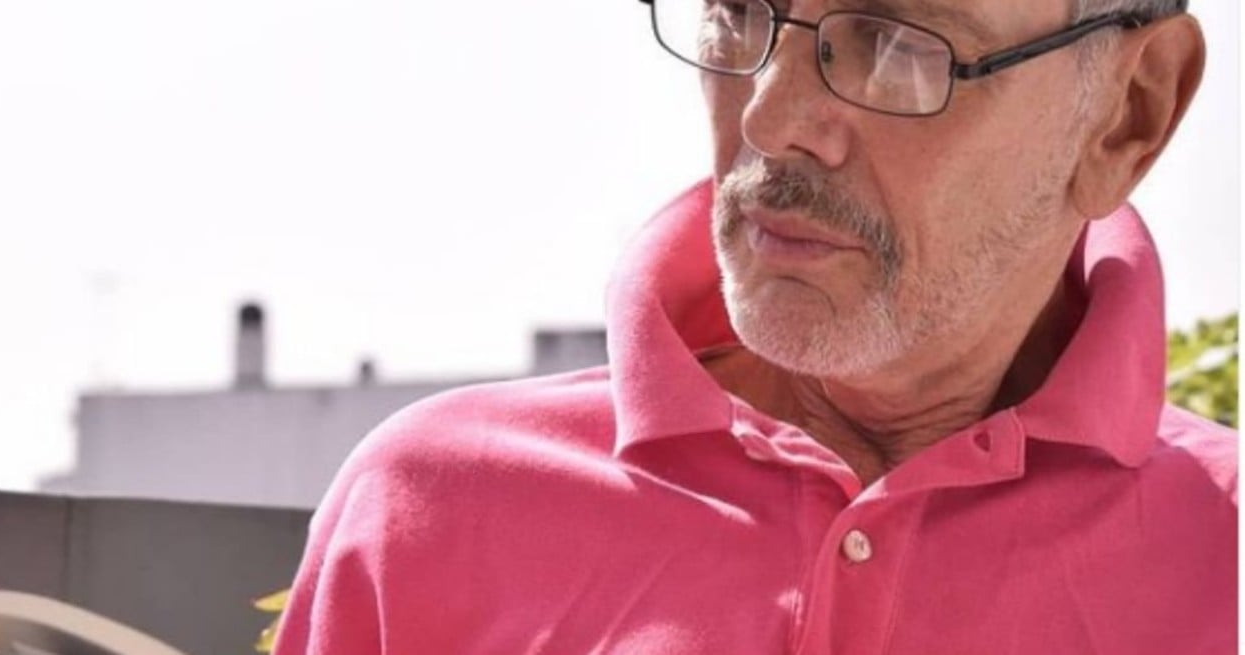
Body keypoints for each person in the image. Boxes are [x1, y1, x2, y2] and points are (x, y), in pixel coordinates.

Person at [274, 0, 1236, 652]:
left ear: (1129, 114)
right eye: (739, 11)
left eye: (896, 42)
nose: (772, 120)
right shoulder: (429, 513)